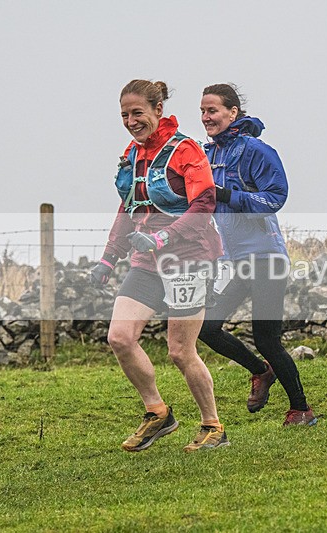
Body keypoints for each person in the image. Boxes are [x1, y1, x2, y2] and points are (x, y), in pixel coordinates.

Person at [91, 79, 229, 451]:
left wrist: (162, 237)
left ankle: (213, 427)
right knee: (120, 337)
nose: (131, 121)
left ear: (158, 110)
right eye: (124, 115)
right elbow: (128, 207)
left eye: (137, 113)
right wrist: (108, 258)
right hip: (146, 261)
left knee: (180, 351)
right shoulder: (133, 154)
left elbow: (204, 205)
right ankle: (158, 413)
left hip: (189, 259)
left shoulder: (186, 150)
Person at [197, 83, 316, 426]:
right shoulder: (208, 155)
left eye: (212, 110)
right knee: (207, 327)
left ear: (232, 112)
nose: (206, 117)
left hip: (266, 258)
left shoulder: (256, 150)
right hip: (234, 262)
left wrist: (226, 194)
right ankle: (261, 371)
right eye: (202, 111)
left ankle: (301, 409)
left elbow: (275, 197)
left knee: (266, 338)